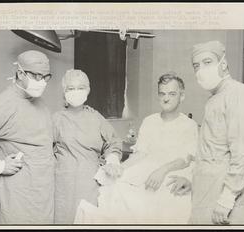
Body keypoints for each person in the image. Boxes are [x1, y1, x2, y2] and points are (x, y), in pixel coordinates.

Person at [74, 72, 198, 224]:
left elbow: (186, 159)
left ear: (182, 96)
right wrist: (118, 167)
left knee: (158, 206)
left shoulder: (189, 125)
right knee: (115, 187)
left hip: (171, 173)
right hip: (146, 171)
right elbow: (140, 154)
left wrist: (162, 170)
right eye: (162, 94)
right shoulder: (150, 121)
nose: (166, 98)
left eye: (172, 94)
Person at [170, 40, 244, 225]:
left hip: (225, 197)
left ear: (223, 64)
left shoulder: (239, 94)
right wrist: (193, 179)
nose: (200, 70)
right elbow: (211, 151)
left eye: (207, 62)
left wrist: (226, 199)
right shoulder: (215, 99)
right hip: (206, 191)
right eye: (196, 66)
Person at [0, 50, 55, 224]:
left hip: (43, 195)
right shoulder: (2, 105)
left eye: (46, 77)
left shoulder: (39, 102)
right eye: (37, 76)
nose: (42, 82)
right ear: (20, 73)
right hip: (16, 197)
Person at [53, 69, 123, 224]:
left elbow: (113, 141)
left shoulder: (95, 117)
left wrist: (112, 160)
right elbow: (43, 149)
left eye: (81, 88)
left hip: (90, 184)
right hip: (63, 185)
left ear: (88, 90)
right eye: (71, 88)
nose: (76, 92)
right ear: (64, 91)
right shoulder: (56, 119)